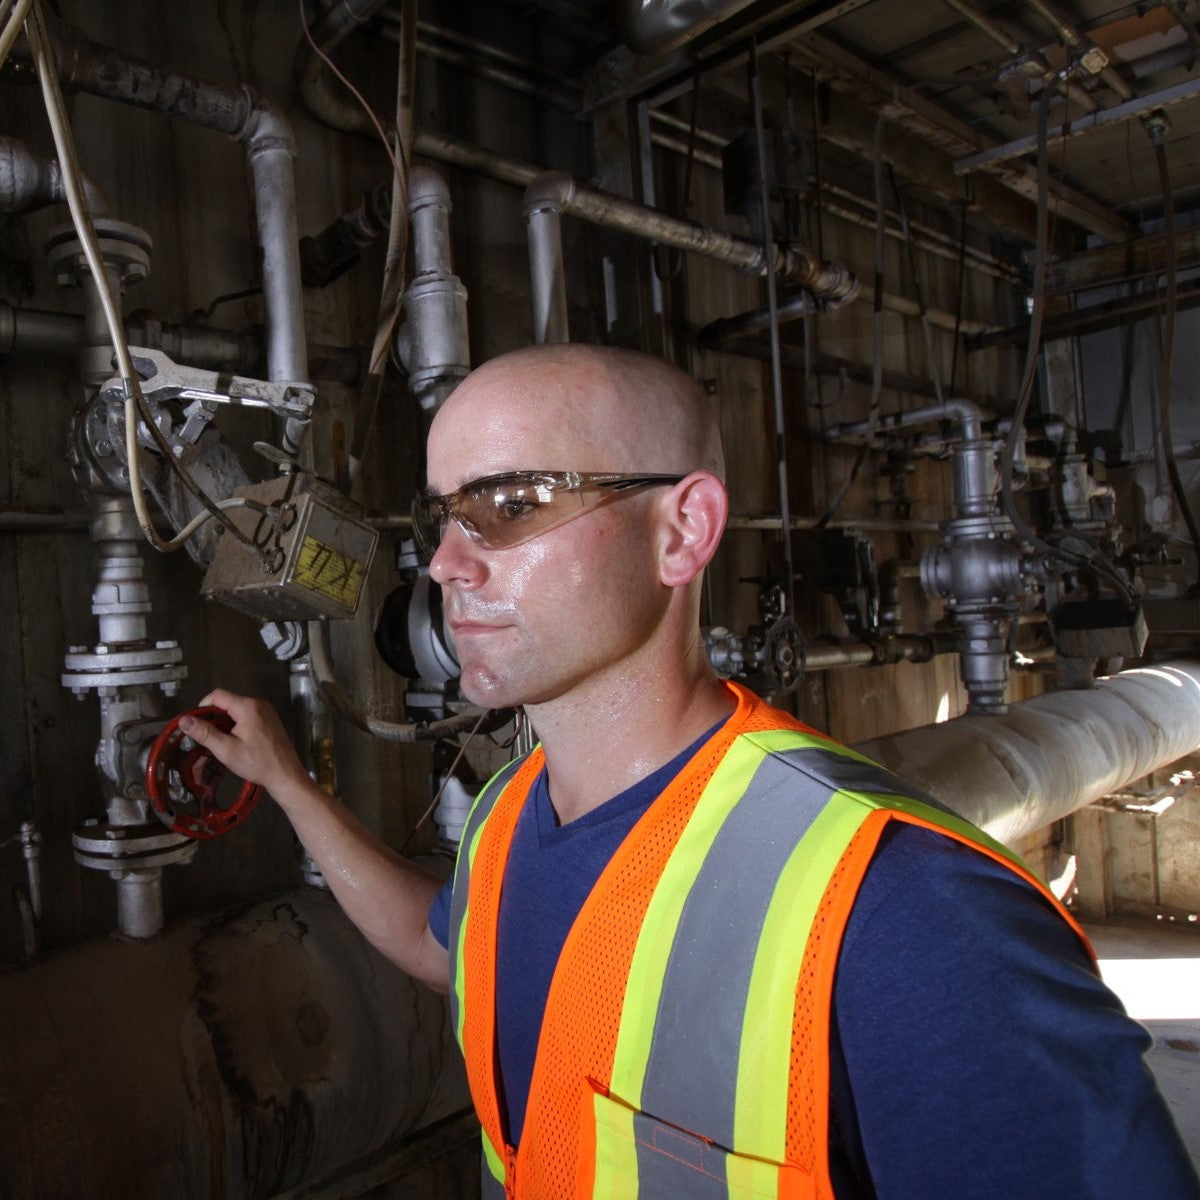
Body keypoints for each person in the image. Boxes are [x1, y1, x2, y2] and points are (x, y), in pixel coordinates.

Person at [180, 343, 1199, 1200]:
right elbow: (445, 944)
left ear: (684, 531)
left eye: (513, 503)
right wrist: (289, 783)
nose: (446, 563)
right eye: (440, 518)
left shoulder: (908, 913)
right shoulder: (509, 812)